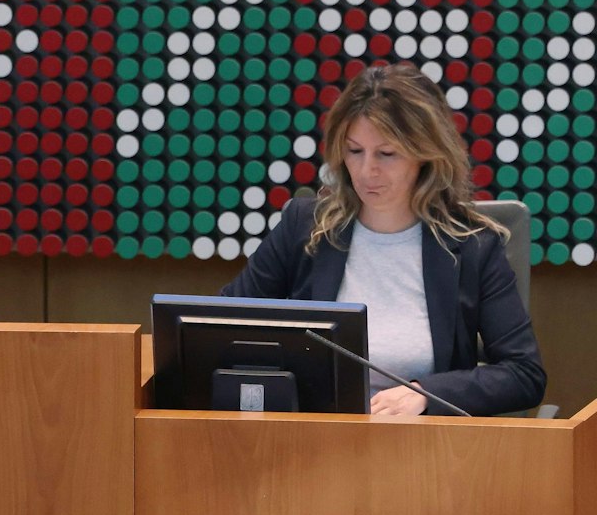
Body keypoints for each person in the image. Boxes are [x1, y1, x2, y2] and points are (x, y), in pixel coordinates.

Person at [222, 62, 544, 416]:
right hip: (315, 440)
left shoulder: (473, 245)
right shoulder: (305, 226)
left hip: (422, 449)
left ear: (425, 154)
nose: (366, 171)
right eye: (354, 151)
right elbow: (216, 329)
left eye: (386, 154)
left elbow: (523, 373)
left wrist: (428, 394)